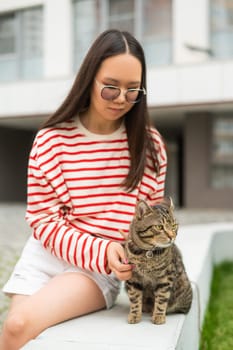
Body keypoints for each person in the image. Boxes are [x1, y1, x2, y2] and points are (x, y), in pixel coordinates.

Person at [0, 29, 167, 349]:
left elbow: (151, 224)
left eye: (133, 91)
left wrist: (133, 264)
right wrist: (100, 250)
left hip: (98, 270)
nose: (121, 98)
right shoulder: (51, 139)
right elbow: (43, 220)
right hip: (45, 256)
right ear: (89, 79)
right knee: (14, 335)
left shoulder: (150, 147)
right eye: (110, 88)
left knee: (20, 325)